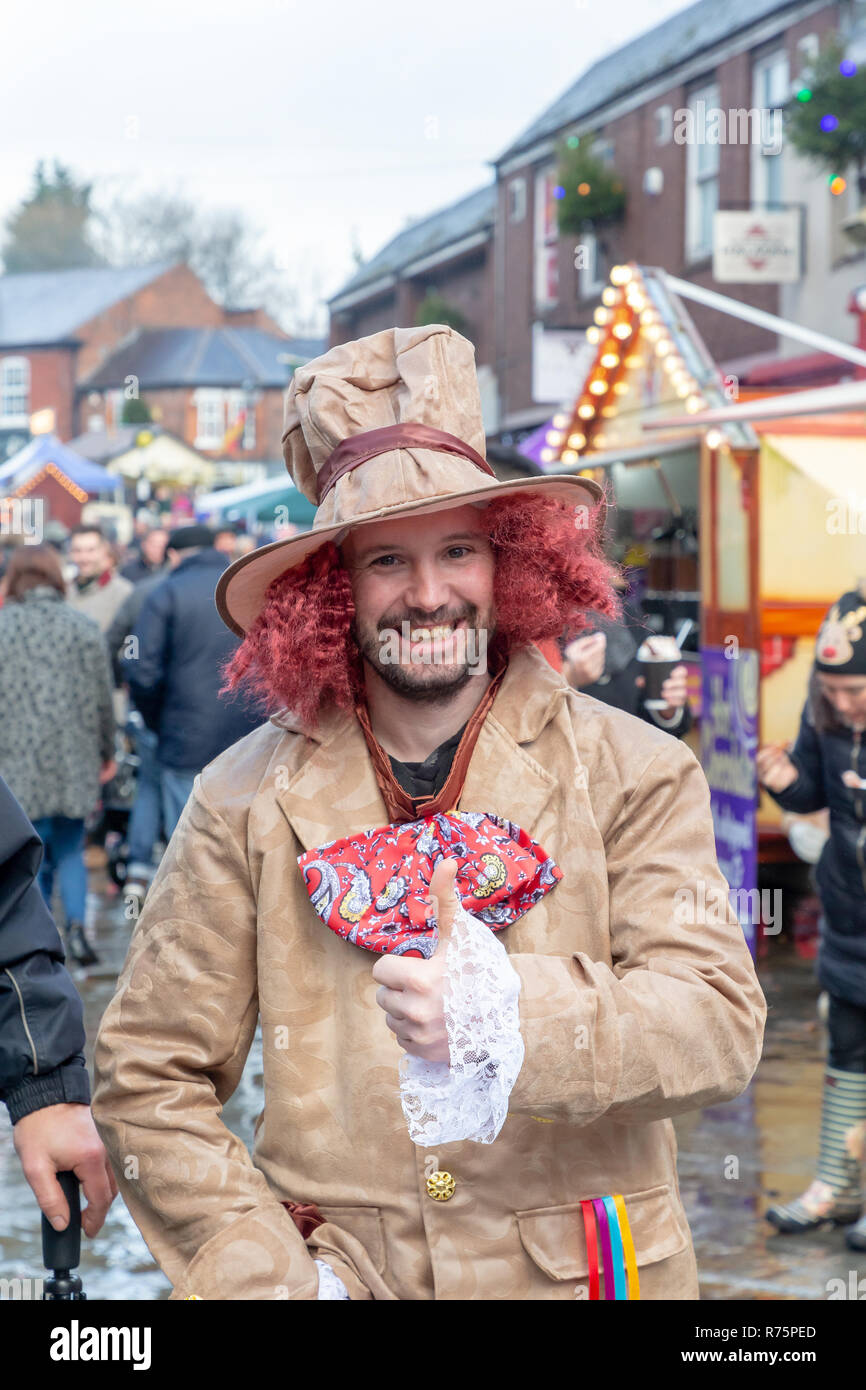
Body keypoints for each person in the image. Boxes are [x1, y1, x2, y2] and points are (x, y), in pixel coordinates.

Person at [92, 325, 765, 1301]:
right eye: (384, 563)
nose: (428, 594)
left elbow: (713, 1023)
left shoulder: (635, 771)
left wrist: (505, 1017)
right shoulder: (240, 799)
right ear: (334, 590)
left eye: (456, 550)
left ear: (509, 566)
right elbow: (147, 1076)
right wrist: (272, 1273)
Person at [759, 586, 866, 1250]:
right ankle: (837, 1186)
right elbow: (811, 790)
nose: (845, 704)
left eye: (857, 691)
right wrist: (781, 777)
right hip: (849, 920)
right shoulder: (825, 711)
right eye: (833, 692)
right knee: (847, 1049)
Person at [0, 774, 117, 1235]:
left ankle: (72, 926)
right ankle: (75, 927)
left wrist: (42, 1075)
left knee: (56, 852)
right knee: (64, 849)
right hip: (69, 773)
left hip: (29, 772)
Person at [0, 546, 116, 967]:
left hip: (16, 762)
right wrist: (108, 751)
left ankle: (39, 939)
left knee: (31, 851)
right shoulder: (84, 627)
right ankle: (77, 932)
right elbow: (103, 700)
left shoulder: (3, 627)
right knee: (70, 848)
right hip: (73, 759)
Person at [121, 525, 264, 841]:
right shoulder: (245, 586)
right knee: (244, 838)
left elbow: (142, 668)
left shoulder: (166, 591)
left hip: (186, 737)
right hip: (252, 734)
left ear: (173, 555)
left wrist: (157, 721)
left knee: (189, 843)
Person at [67, 523, 134, 634]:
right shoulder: (65, 590)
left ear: (104, 551)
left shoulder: (123, 592)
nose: (84, 558)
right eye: (77, 551)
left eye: (91, 550)